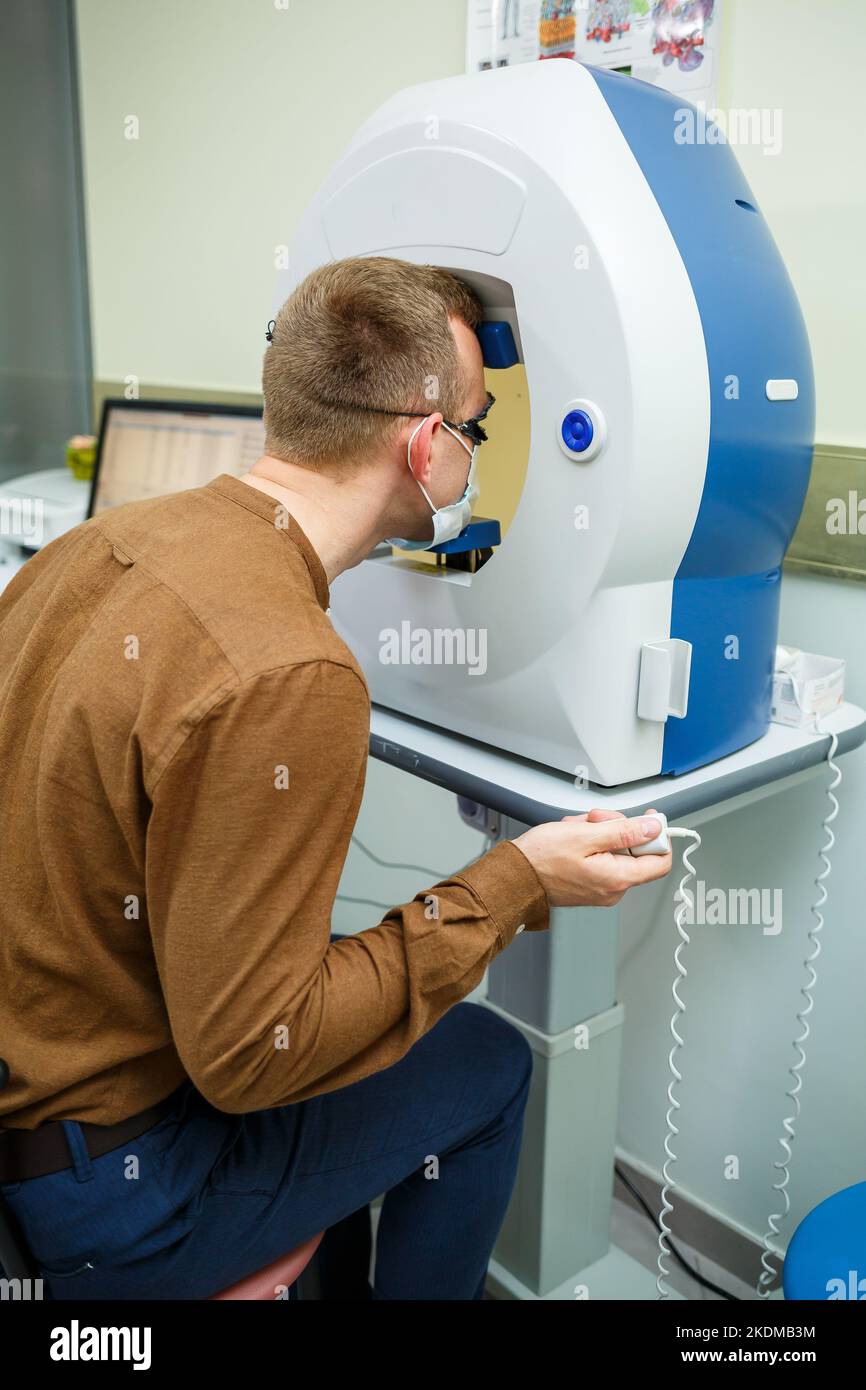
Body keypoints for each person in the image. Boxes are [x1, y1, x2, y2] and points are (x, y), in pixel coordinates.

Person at [0, 256, 671, 1300]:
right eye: (476, 431)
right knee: (488, 1068)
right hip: (117, 1199)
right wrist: (516, 884)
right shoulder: (291, 670)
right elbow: (253, 1060)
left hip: (33, 1102)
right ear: (423, 445)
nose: (473, 457)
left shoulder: (91, 547)